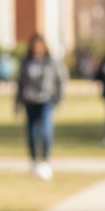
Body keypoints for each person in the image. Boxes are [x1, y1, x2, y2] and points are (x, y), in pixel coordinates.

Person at [15, 32, 67, 179]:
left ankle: (45, 160)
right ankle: (33, 160)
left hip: (46, 100)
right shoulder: (26, 62)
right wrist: (18, 102)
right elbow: (20, 83)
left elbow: (59, 80)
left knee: (46, 130)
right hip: (30, 100)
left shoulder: (51, 62)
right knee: (31, 132)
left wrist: (59, 98)